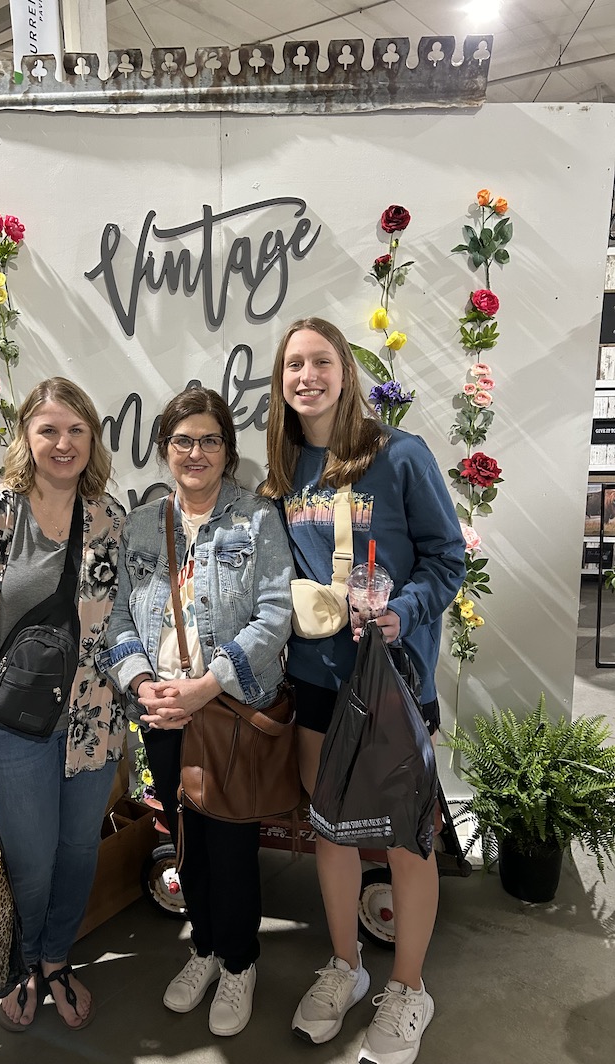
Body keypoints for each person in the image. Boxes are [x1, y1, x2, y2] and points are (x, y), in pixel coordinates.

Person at [260, 318, 465, 1064]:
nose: (307, 375)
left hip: (395, 683)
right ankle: (345, 967)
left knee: (408, 840)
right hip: (318, 683)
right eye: (293, 365)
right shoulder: (285, 472)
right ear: (281, 384)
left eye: (320, 361)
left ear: (345, 372)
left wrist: (401, 614)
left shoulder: (401, 456)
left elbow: (447, 559)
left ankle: (408, 987)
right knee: (331, 828)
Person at [0, 377, 125, 1033]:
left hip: (92, 727)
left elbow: (125, 623)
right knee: (31, 863)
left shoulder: (110, 520)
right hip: (7, 731)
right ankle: (27, 968)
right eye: (48, 430)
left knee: (76, 855)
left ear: (91, 438)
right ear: (26, 438)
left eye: (75, 430)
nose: (62, 443)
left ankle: (58, 959)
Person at [98, 387, 294, 1038]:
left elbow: (275, 614)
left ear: (228, 452)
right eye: (183, 440)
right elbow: (119, 616)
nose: (196, 452)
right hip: (162, 712)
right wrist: (143, 681)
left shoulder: (257, 519)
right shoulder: (143, 524)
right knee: (185, 840)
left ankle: (240, 962)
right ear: (164, 450)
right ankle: (204, 948)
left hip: (225, 710)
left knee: (231, 843)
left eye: (210, 440)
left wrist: (207, 686)